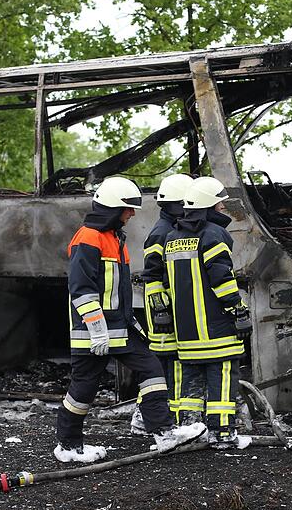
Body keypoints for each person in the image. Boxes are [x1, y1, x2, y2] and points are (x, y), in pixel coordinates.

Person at [56, 176, 205, 463]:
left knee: (151, 368)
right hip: (93, 334)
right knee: (82, 391)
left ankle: (163, 433)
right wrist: (97, 328)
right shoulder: (88, 238)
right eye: (128, 208)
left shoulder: (114, 239)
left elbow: (118, 293)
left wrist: (131, 323)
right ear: (113, 209)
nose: (132, 214)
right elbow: (82, 288)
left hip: (118, 330)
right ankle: (68, 445)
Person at [164, 176, 253, 449]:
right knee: (223, 374)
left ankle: (191, 429)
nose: (223, 209)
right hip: (216, 329)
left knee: (191, 381)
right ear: (208, 207)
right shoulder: (214, 235)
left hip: (187, 332)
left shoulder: (172, 237)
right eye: (219, 204)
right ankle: (222, 433)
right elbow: (221, 278)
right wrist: (237, 309)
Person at [131, 173, 194, 435]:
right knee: (165, 365)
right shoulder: (161, 234)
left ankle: (148, 417)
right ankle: (148, 417)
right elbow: (154, 276)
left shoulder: (172, 230)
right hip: (164, 315)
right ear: (177, 205)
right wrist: (163, 312)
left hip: (170, 311)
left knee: (168, 364)